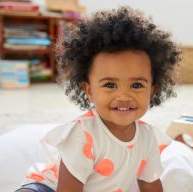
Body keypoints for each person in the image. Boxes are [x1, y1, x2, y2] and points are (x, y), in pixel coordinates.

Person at [15, 6, 183, 192]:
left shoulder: (148, 138)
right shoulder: (82, 135)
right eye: (110, 85)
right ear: (89, 90)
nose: (124, 96)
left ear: (152, 91)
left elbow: (150, 184)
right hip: (49, 187)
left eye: (136, 85)